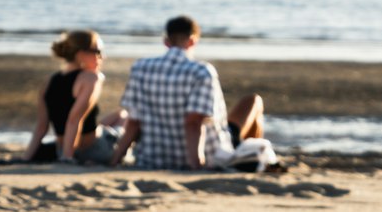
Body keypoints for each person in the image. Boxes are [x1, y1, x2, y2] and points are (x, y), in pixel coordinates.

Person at [109, 15, 266, 171]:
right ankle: (256, 156)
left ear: (166, 41)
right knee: (253, 101)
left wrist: (115, 160)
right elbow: (194, 122)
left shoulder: (140, 68)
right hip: (206, 154)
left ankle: (247, 149)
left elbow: (134, 122)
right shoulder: (201, 71)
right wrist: (196, 165)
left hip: (153, 158)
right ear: (193, 40)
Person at [22, 30, 122, 164]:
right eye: (98, 52)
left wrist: (26, 158)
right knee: (125, 119)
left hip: (61, 149)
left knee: (119, 115)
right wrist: (67, 158)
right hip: (94, 150)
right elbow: (74, 119)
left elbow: (41, 126)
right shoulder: (91, 78)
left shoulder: (50, 81)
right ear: (81, 54)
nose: (103, 57)